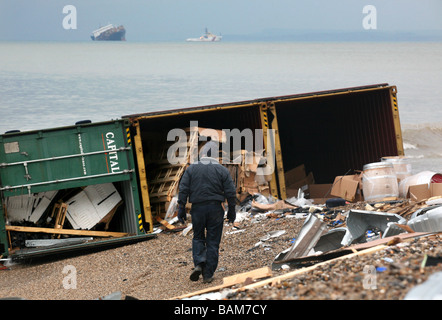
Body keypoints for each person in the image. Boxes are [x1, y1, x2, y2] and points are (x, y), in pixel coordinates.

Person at [177, 140, 237, 283]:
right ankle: (208, 274)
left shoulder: (191, 169)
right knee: (213, 241)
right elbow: (231, 192)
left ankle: (199, 263)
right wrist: (232, 210)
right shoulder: (222, 170)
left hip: (197, 208)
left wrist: (181, 208)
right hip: (216, 208)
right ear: (216, 155)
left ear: (202, 153)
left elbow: (183, 189)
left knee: (198, 237)